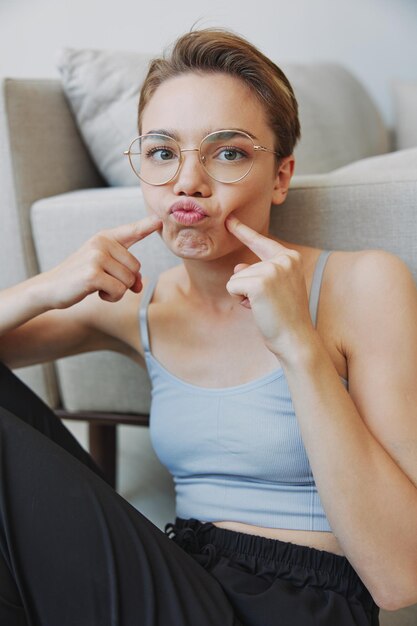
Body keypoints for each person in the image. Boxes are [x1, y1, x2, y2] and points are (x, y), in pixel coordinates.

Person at [0, 28, 416, 626]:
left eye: (228, 153)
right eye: (163, 152)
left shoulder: (365, 284)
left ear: (280, 175)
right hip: (180, 581)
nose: (188, 182)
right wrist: (46, 287)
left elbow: (402, 577)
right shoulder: (139, 304)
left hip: (299, 606)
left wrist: (297, 343)